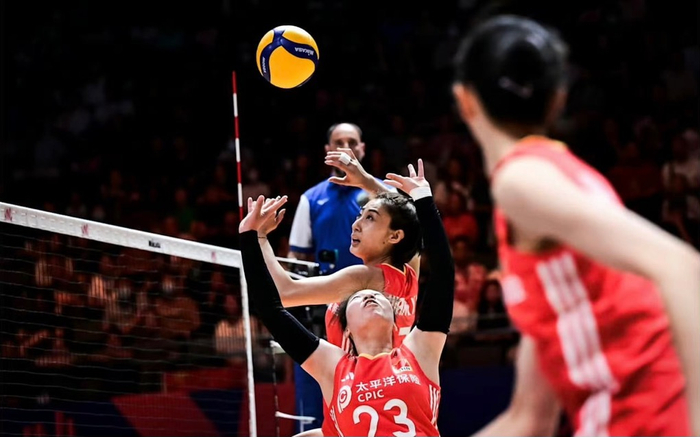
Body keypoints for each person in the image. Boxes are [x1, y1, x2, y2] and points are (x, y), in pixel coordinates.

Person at [451, 15, 700, 436]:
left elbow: (681, 266)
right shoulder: (555, 198)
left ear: (465, 101)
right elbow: (529, 419)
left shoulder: (519, 181)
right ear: (558, 100)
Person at [239, 159, 454, 436]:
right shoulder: (409, 269)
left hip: (361, 389)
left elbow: (283, 295)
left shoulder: (363, 280)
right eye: (359, 215)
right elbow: (404, 221)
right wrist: (371, 183)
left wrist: (257, 239)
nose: (355, 225)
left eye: (369, 218)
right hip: (363, 396)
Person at [285, 122, 409, 433]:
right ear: (327, 150)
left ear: (362, 148)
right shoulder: (311, 198)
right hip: (331, 305)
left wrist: (254, 240)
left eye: (352, 142)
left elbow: (411, 223)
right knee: (338, 399)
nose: (346, 148)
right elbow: (297, 259)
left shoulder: (381, 194)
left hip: (381, 304)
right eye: (338, 142)